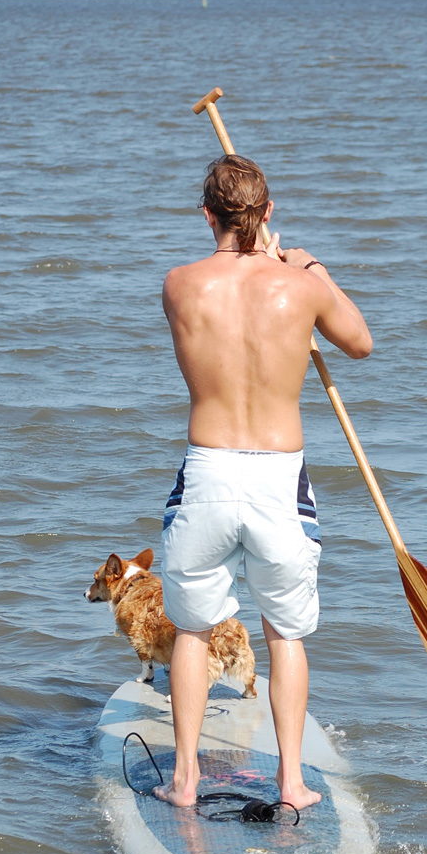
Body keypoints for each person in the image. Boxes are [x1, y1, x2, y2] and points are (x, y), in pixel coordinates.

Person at [155, 154, 372, 810]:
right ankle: (292, 782)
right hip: (280, 479)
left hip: (207, 472)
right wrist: (311, 271)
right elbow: (360, 343)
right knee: (285, 632)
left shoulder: (178, 284)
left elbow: (231, 298)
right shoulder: (299, 286)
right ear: (269, 212)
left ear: (206, 215)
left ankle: (186, 779)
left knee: (191, 631)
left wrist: (274, 266)